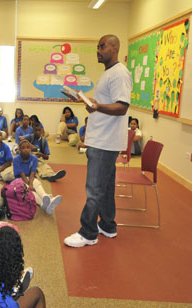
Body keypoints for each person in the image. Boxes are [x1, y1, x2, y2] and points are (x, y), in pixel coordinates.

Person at [64, 34, 132, 248]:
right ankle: (108, 226)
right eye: (97, 47)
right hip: (103, 139)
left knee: (94, 189)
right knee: (106, 187)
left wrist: (97, 106)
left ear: (114, 48)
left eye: (102, 46)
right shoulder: (108, 74)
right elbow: (106, 105)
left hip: (105, 142)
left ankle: (88, 232)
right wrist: (91, 103)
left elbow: (122, 107)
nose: (98, 51)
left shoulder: (120, 74)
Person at [13, 140, 62, 215]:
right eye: (23, 148)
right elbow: (22, 174)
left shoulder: (34, 159)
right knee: (28, 190)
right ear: (19, 151)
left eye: (28, 147)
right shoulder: (16, 159)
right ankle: (46, 202)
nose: (26, 149)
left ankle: (45, 196)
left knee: (36, 183)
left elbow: (32, 173)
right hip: (20, 180)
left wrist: (31, 183)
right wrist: (28, 184)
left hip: (31, 178)